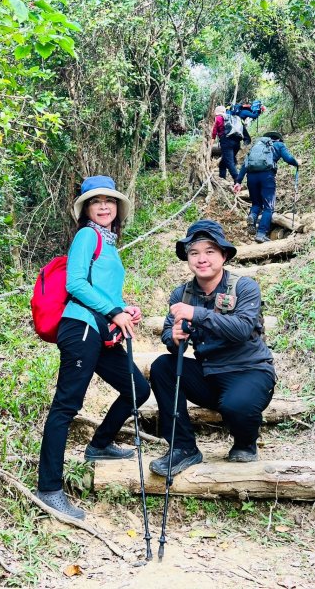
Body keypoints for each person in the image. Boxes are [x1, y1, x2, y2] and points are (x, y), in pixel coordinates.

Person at [36, 175, 150, 519]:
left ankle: (99, 445)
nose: (104, 206)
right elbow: (75, 283)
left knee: (137, 388)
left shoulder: (109, 243)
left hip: (100, 331)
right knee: (66, 406)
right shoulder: (87, 235)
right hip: (81, 328)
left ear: (117, 209)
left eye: (110, 201)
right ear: (86, 209)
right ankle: (49, 488)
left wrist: (123, 308)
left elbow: (104, 292)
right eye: (96, 201)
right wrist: (114, 310)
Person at [149, 219, 276, 477]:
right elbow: (169, 338)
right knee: (162, 367)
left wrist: (196, 314)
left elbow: (241, 328)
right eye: (194, 252)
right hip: (209, 375)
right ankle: (183, 447)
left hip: (249, 371)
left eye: (209, 251)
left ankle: (245, 442)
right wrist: (174, 338)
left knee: (236, 404)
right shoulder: (181, 295)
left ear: (224, 255)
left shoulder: (244, 287)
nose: (201, 258)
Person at [233, 131, 300, 243]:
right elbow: (288, 159)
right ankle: (261, 234)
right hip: (267, 176)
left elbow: (245, 164)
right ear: (278, 139)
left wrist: (238, 182)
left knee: (256, 203)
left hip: (251, 176)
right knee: (268, 207)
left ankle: (253, 216)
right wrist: (297, 163)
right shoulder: (278, 145)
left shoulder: (256, 146)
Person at [211, 105, 251, 183]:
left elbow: (213, 134)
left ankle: (237, 181)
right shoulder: (234, 118)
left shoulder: (218, 118)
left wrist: (210, 147)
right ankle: (222, 179)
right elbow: (243, 130)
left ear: (216, 112)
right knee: (223, 163)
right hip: (237, 142)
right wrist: (246, 140)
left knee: (229, 162)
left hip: (226, 142)